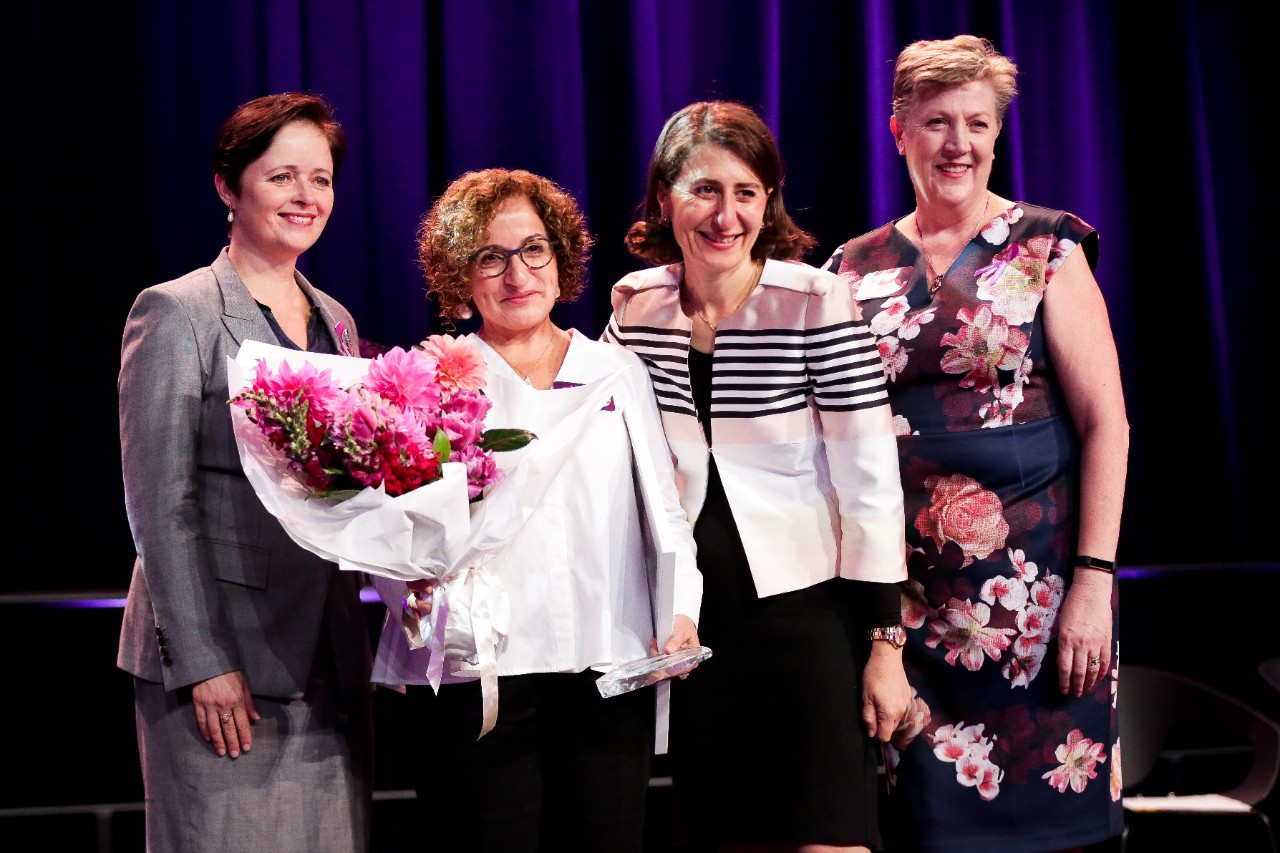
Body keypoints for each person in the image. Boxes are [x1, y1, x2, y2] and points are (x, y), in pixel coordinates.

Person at [820, 35, 1129, 853]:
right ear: (898, 131)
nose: (958, 143)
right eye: (936, 122)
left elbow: (1108, 423)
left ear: (996, 134)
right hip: (904, 617)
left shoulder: (1047, 246)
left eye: (977, 123)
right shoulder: (850, 268)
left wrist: (1094, 582)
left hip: (1038, 609)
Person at [603, 100, 911, 853]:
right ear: (665, 197)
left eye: (747, 192)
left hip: (809, 619)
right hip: (693, 628)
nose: (726, 214)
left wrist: (885, 644)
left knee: (829, 838)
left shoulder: (813, 299)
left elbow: (869, 476)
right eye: (705, 189)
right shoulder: (635, 306)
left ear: (768, 200)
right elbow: (592, 445)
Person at [370, 167, 703, 853]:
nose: (517, 274)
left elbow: (664, 510)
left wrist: (681, 610)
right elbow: (395, 531)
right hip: (481, 675)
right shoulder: (432, 380)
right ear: (461, 274)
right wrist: (414, 600)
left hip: (608, 663)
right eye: (490, 257)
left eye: (533, 250)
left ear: (561, 259)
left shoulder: (616, 371)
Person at [117, 92, 374, 852]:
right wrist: (202, 661)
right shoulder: (178, 312)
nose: (305, 196)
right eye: (281, 176)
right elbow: (160, 504)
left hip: (327, 656)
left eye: (320, 179)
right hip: (225, 663)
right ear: (228, 187)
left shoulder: (336, 319)